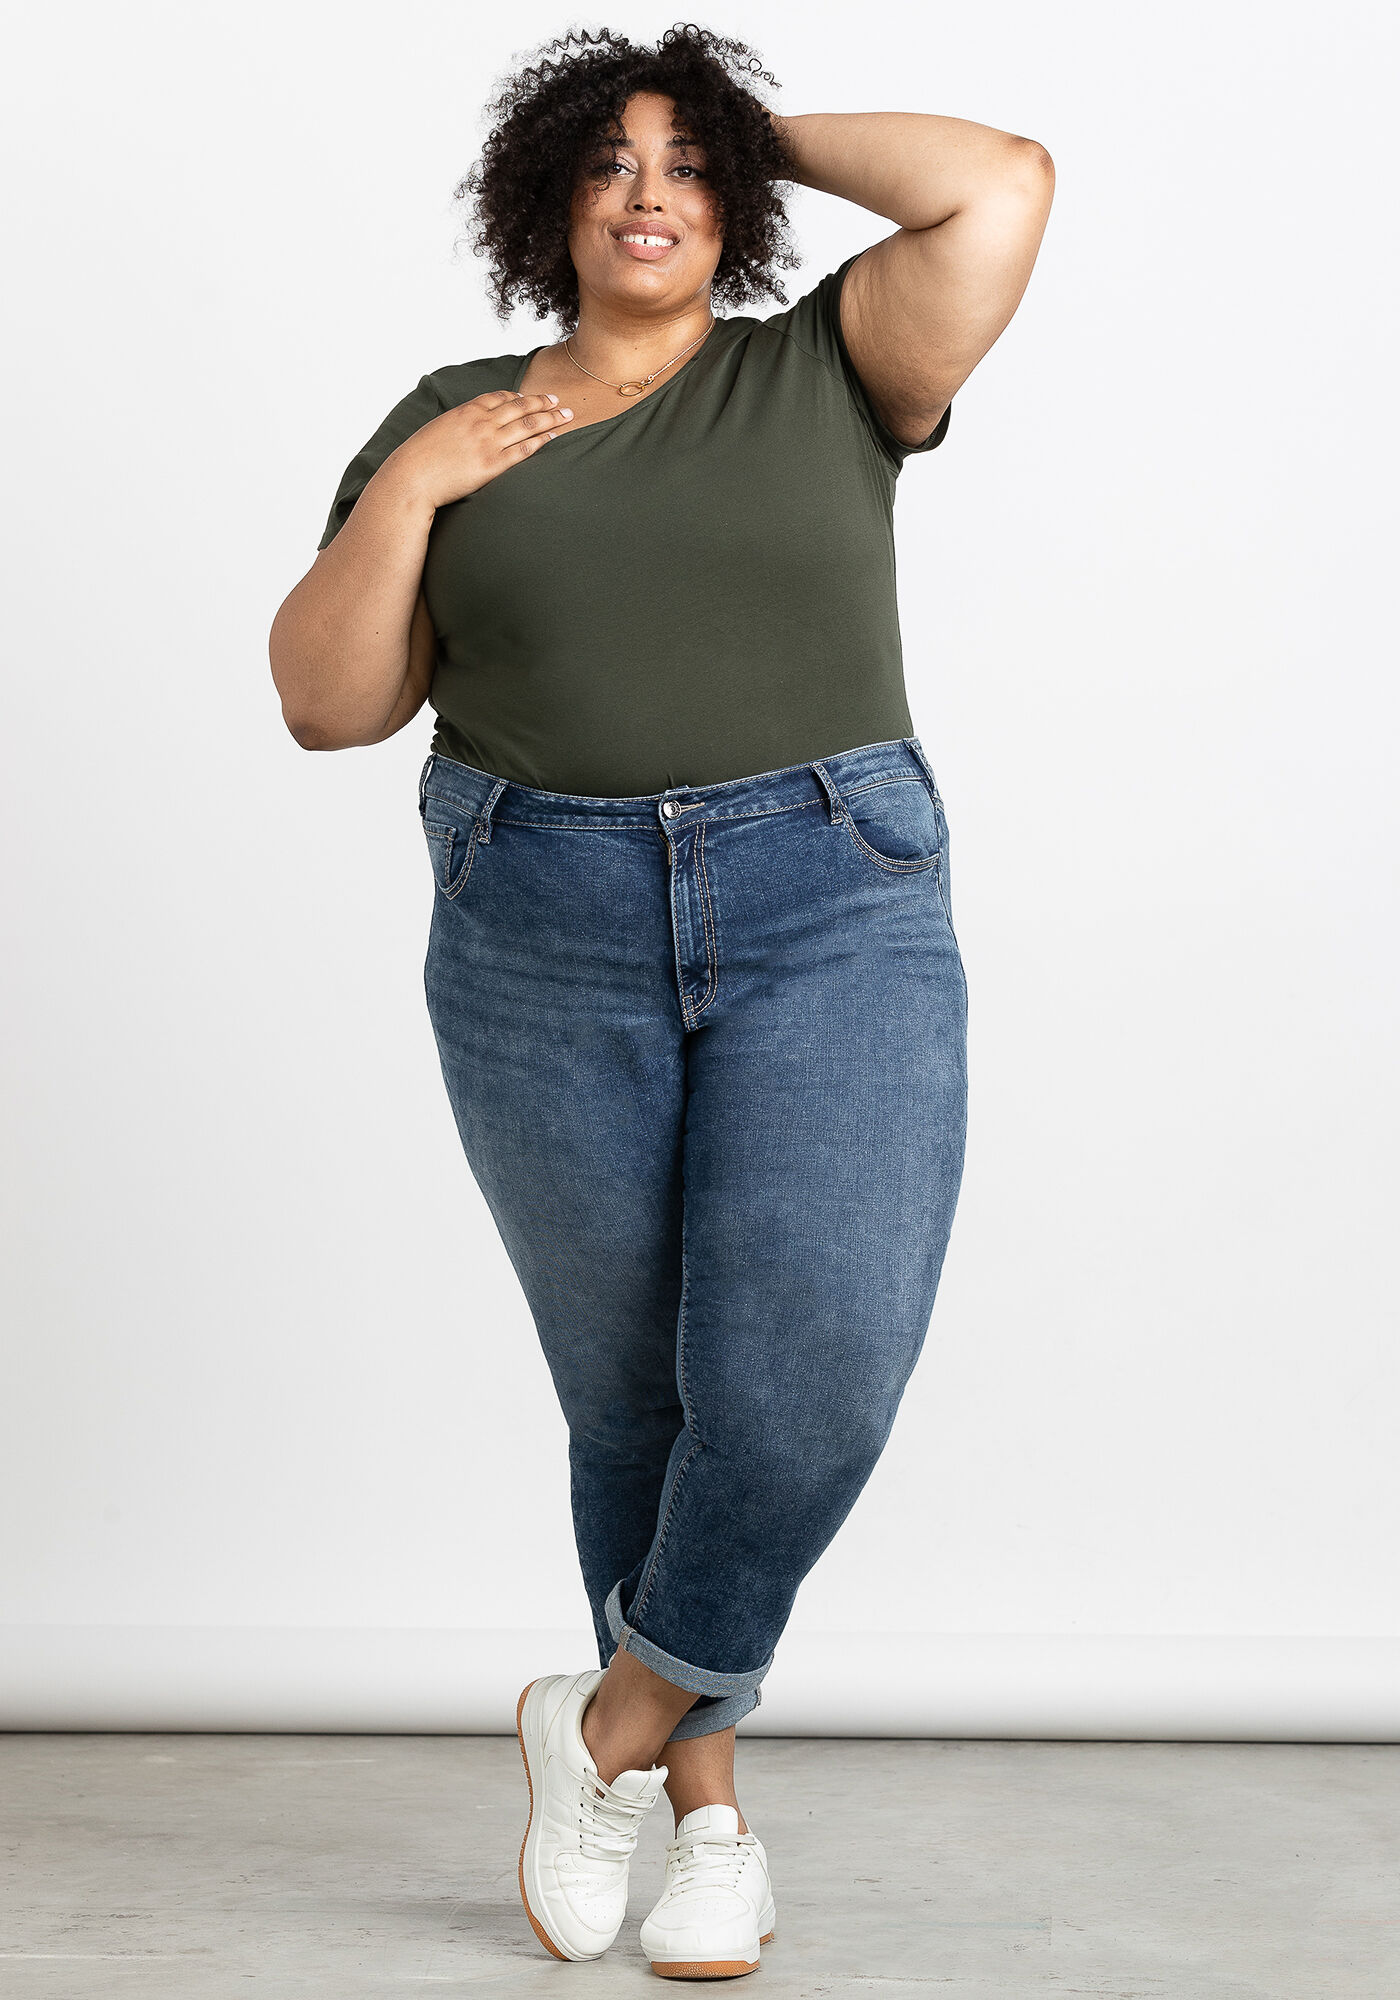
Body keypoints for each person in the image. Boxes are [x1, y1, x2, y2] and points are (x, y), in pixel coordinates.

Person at [269, 22, 1053, 1981]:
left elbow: (1001, 181)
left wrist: (730, 122)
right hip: (538, 917)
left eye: (683, 168)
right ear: (544, 199)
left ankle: (602, 1728)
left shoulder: (830, 367)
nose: (646, 193)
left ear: (735, 203)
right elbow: (328, 703)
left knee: (816, 1372)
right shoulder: (450, 416)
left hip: (831, 899)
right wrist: (414, 490)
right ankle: (706, 1824)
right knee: (635, 1402)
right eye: (608, 161)